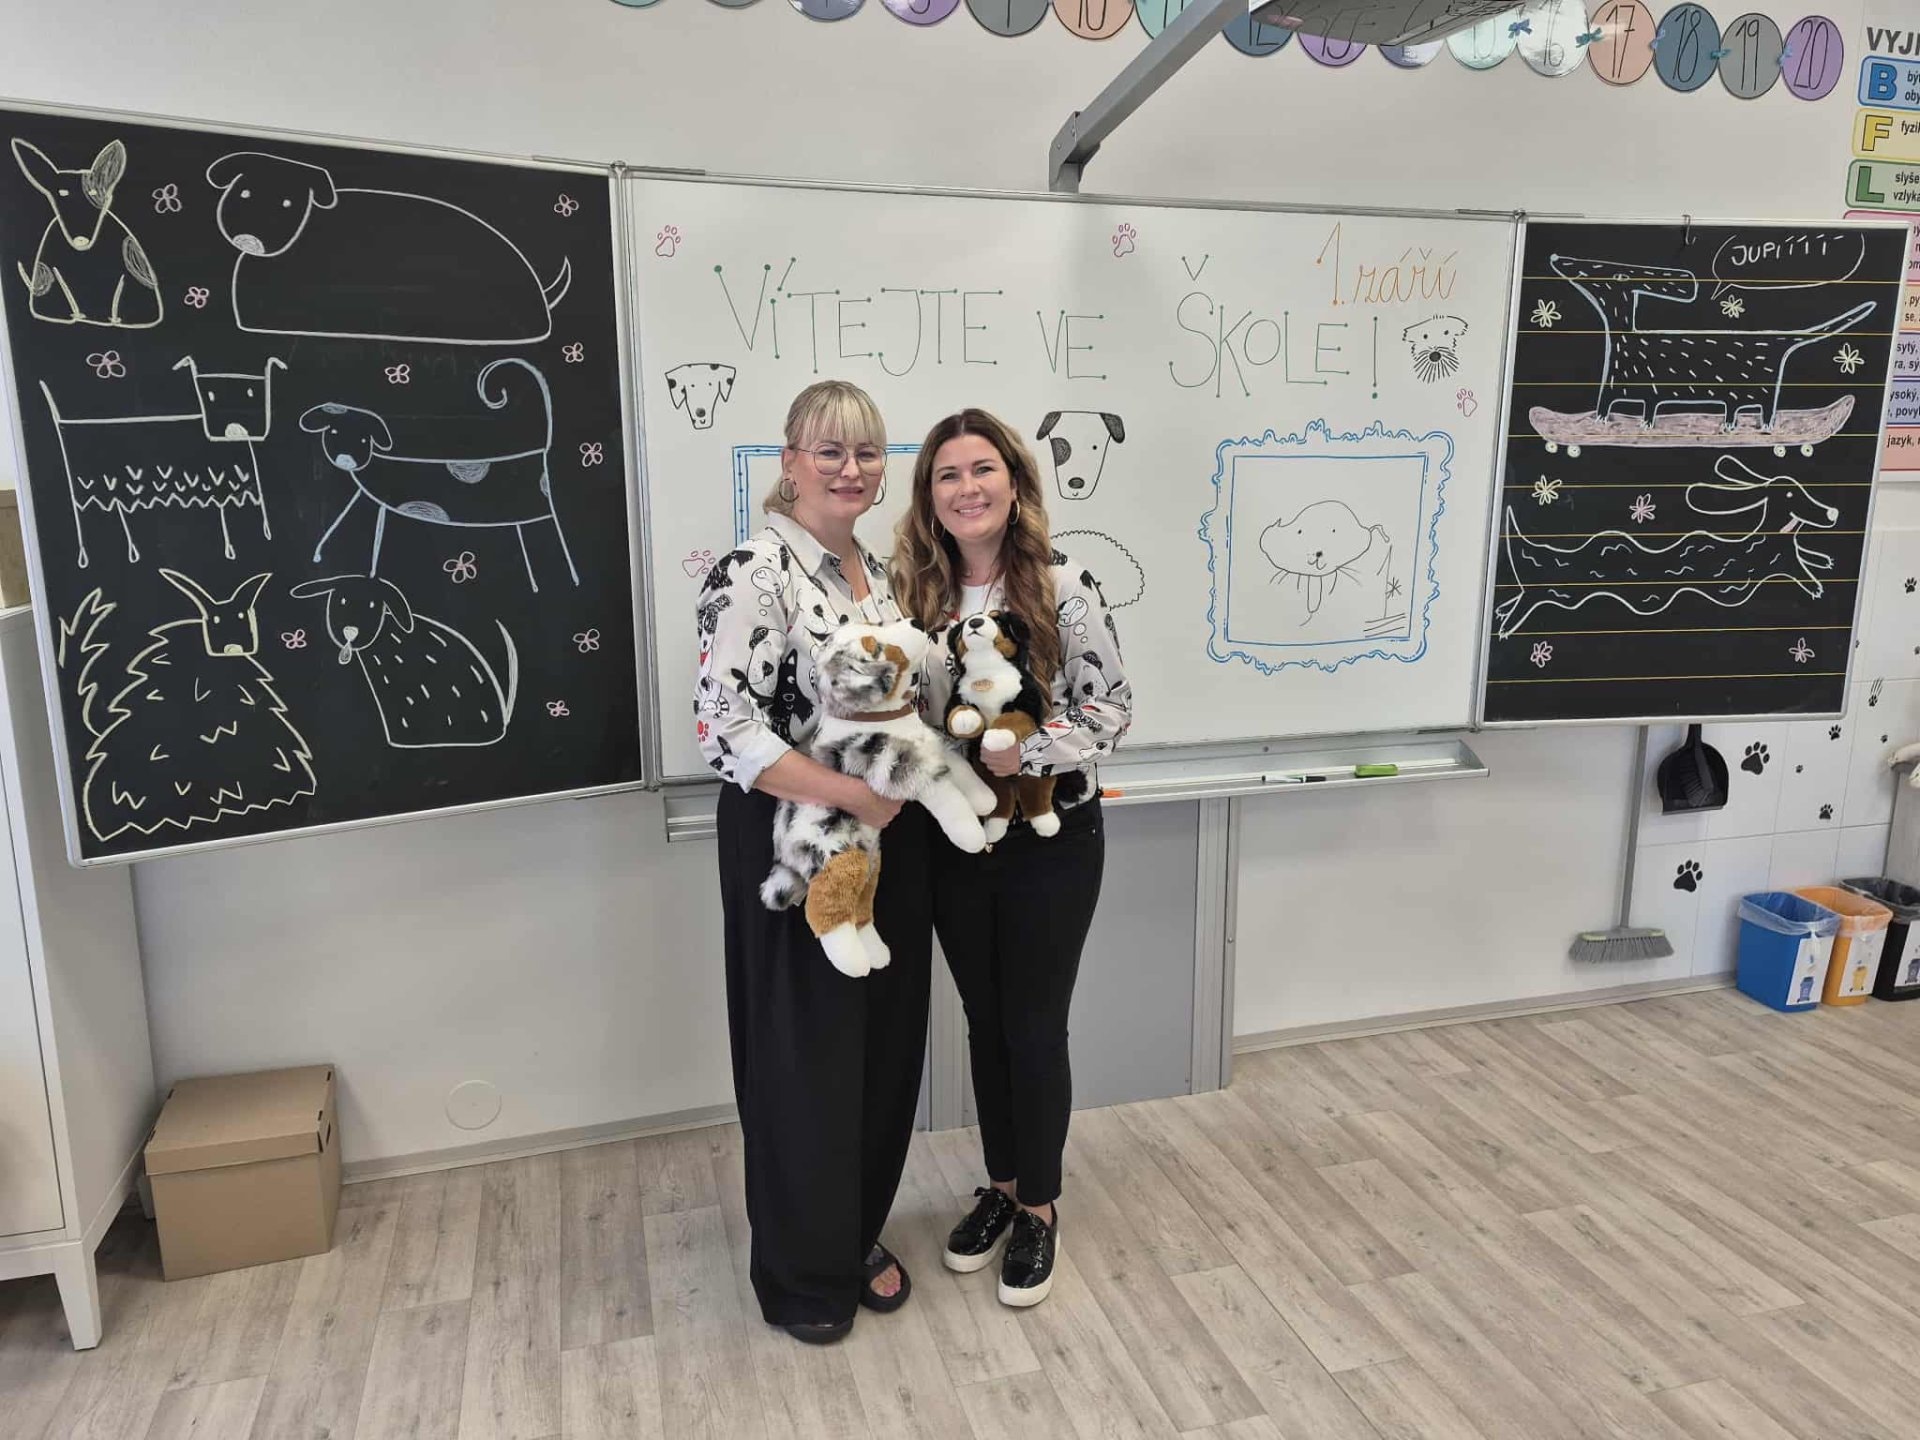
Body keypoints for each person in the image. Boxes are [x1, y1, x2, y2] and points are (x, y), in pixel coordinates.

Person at [695, 379, 926, 1344]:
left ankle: (853, 1231)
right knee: (803, 1061)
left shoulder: (886, 574)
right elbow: (725, 728)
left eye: (867, 451)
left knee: (882, 1050)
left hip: (886, 836)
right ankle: (801, 1275)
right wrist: (852, 796)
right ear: (789, 461)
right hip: (790, 836)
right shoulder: (754, 571)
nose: (850, 468)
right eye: (829, 450)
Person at [893, 408, 1132, 1307]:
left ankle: (1040, 1204)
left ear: (1015, 481)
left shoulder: (1066, 587)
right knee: (984, 1023)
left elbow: (1113, 710)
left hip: (1051, 838)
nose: (968, 488)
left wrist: (1025, 752)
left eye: (982, 469)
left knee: (1034, 1026)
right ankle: (1000, 1185)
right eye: (948, 475)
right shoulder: (913, 598)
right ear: (930, 497)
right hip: (956, 842)